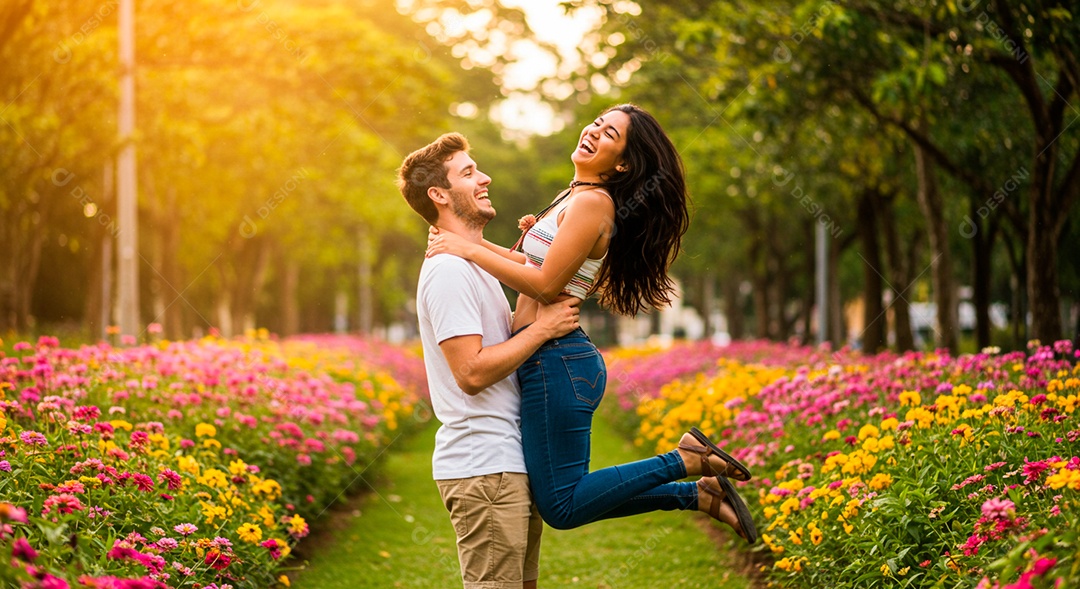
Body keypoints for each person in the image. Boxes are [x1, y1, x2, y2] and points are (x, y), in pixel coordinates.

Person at [425, 104, 759, 543]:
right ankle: (699, 494)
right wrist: (467, 242)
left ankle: (686, 461)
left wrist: (467, 249)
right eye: (598, 124)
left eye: (610, 135)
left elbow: (546, 286)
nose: (594, 132)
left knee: (562, 506)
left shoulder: (593, 202)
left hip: (557, 361)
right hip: (547, 358)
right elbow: (526, 265)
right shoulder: (572, 196)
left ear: (622, 164)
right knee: (560, 498)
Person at [397, 132, 583, 589]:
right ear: (439, 195)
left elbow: (532, 291)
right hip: (483, 467)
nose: (485, 178)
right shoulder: (449, 270)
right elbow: (471, 372)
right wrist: (545, 328)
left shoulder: (472, 263)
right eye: (468, 173)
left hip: (506, 462)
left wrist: (536, 252)